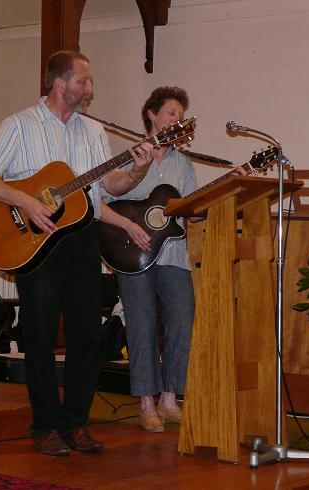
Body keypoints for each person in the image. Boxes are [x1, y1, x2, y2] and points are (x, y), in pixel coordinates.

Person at [0, 50, 153, 455]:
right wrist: (24, 200)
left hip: (83, 240)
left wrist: (137, 170)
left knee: (88, 336)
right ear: (59, 83)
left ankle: (76, 424)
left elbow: (107, 190)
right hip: (36, 243)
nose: (90, 89)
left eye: (89, 82)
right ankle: (45, 426)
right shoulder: (19, 125)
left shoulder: (93, 132)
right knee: (40, 335)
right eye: (83, 81)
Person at [101, 87, 196, 433]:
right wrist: (131, 225)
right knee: (140, 323)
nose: (177, 120)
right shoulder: (126, 158)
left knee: (182, 319)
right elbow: (108, 198)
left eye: (180, 116)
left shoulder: (183, 163)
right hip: (132, 253)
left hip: (173, 253)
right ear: (152, 115)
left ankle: (170, 399)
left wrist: (201, 208)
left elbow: (187, 213)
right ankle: (145, 403)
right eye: (172, 113)